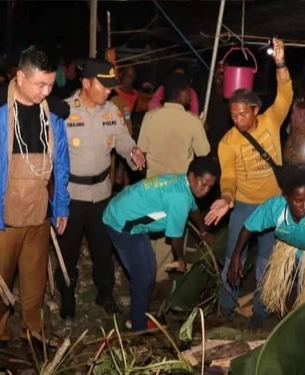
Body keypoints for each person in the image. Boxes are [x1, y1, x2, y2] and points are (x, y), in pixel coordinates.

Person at [0, 45, 70, 352]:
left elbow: (61, 163)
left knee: (34, 285)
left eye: (50, 84)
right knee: (0, 282)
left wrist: (61, 205)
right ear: (20, 77)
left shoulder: (54, 115)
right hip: (1, 216)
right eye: (40, 84)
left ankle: (32, 333)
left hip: (38, 214)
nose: (46, 91)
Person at [205, 38, 293, 328]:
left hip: (272, 205)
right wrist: (227, 198)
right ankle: (227, 307)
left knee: (266, 260)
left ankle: (260, 310)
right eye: (233, 115)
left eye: (242, 113)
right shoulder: (227, 142)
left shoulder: (270, 121)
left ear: (255, 109)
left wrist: (280, 63)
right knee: (234, 256)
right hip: (243, 205)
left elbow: (285, 95)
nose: (237, 119)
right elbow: (228, 175)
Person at [58, 58, 145, 320]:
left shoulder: (112, 111)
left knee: (103, 248)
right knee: (68, 250)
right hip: (72, 194)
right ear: (86, 83)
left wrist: (133, 151)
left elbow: (122, 139)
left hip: (102, 194)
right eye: (104, 85)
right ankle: (66, 296)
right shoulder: (63, 111)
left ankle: (105, 294)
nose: (109, 91)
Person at [102, 156, 218, 331]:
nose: (206, 190)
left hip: (133, 220)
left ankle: (138, 316)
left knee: (149, 270)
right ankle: (138, 329)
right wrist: (180, 259)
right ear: (192, 176)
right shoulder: (179, 198)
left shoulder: (183, 183)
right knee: (142, 275)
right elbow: (175, 238)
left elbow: (193, 208)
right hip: (121, 222)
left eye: (210, 186)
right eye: (204, 184)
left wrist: (203, 231)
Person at [225, 165, 305, 316]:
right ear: (286, 198)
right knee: (288, 288)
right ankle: (283, 322)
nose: (304, 207)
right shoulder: (275, 208)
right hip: (292, 246)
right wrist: (236, 255)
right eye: (298, 200)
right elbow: (248, 227)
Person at [137, 72, 211, 281]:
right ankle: (159, 280)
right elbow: (204, 154)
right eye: (187, 92)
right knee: (169, 236)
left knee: (150, 229)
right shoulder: (192, 121)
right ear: (180, 95)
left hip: (152, 186)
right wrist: (203, 129)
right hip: (177, 189)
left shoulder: (150, 116)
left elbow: (141, 149)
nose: (190, 95)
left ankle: (145, 273)